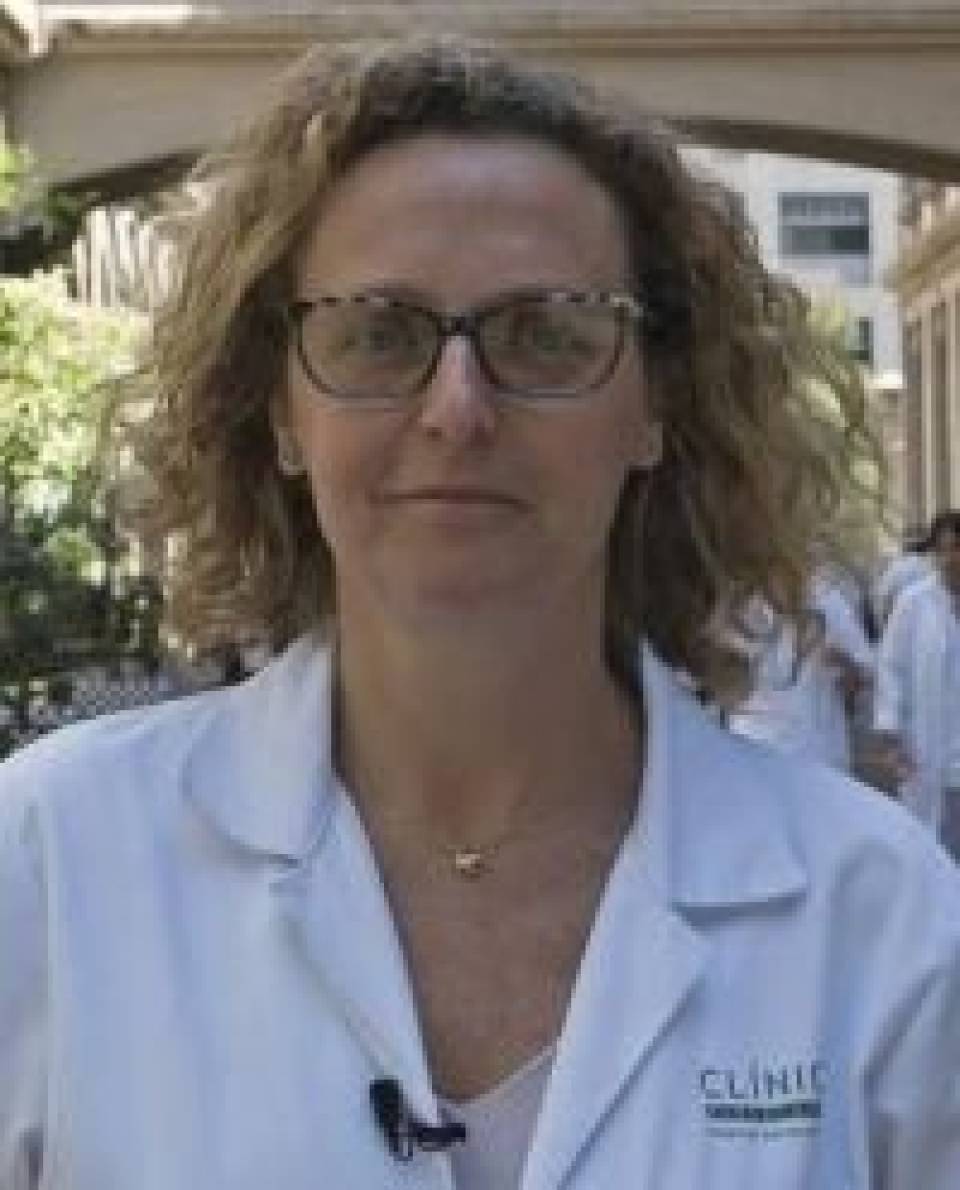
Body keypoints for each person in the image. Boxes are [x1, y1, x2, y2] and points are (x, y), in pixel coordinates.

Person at [1, 39, 958, 1190]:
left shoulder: (883, 921)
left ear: (656, 403)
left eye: (547, 332)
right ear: (283, 413)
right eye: (378, 332)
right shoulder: (48, 863)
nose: (458, 409)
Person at [874, 509, 960, 860]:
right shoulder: (914, 602)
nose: (950, 559)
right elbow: (891, 668)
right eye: (943, 550)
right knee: (930, 845)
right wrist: (891, 735)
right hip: (926, 744)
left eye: (957, 548)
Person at [729, 569, 874, 772]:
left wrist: (844, 664)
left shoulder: (821, 595)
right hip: (756, 751)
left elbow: (865, 670)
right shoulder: (718, 610)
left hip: (822, 753)